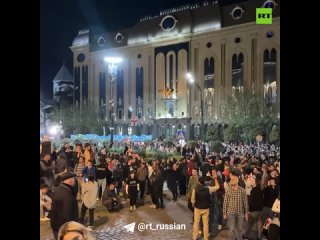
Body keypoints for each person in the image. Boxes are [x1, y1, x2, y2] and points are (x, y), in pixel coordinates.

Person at [50, 172, 78, 240]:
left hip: (55, 225)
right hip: (63, 228)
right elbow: (66, 215)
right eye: (74, 179)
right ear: (70, 180)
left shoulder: (58, 189)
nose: (75, 181)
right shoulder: (67, 195)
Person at [191, 176, 220, 240]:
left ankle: (194, 237)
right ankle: (205, 237)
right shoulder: (208, 189)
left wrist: (193, 204)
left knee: (196, 223)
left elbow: (192, 200)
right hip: (206, 208)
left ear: (198, 182)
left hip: (197, 208)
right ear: (204, 182)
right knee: (206, 224)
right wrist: (215, 179)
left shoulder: (195, 189)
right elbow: (217, 187)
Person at [223, 170, 249, 240]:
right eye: (231, 179)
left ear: (237, 180)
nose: (232, 180)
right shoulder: (228, 190)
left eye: (234, 179)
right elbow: (225, 202)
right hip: (230, 212)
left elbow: (245, 202)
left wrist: (246, 213)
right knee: (231, 229)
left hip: (240, 212)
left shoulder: (242, 190)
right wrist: (224, 213)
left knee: (240, 229)